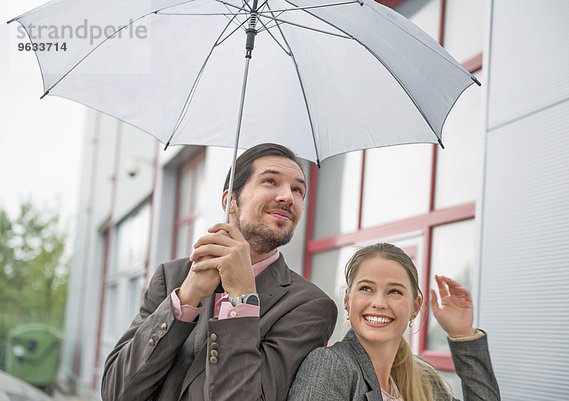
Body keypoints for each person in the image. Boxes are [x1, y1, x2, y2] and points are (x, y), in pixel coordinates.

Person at [101, 143, 337, 401]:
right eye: (270, 181)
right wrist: (185, 300)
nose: (288, 197)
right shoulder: (171, 277)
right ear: (230, 201)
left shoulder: (311, 307)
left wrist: (242, 300)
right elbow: (116, 392)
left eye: (298, 190)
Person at [288, 243, 500, 401]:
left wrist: (463, 335)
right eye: (366, 288)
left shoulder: (424, 377)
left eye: (394, 291)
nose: (379, 302)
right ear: (347, 300)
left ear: (415, 307)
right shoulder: (331, 366)